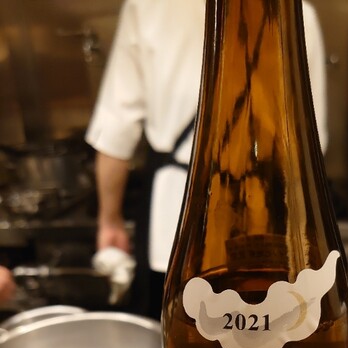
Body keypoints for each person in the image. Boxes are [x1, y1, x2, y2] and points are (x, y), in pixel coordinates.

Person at [86, 0, 329, 320]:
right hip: (264, 223)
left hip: (176, 224)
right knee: (270, 330)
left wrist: (110, 220)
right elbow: (308, 147)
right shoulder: (297, 13)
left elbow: (117, 128)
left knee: (181, 329)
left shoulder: (148, 6)